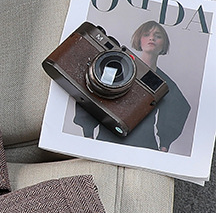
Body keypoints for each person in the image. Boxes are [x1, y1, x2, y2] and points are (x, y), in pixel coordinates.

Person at [74, 21, 190, 151]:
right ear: (139, 39)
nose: (152, 38)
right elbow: (92, 93)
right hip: (107, 139)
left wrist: (164, 144)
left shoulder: (164, 83)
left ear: (164, 44)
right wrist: (88, 133)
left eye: (158, 36)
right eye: (146, 34)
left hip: (144, 144)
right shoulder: (117, 64)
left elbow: (179, 108)